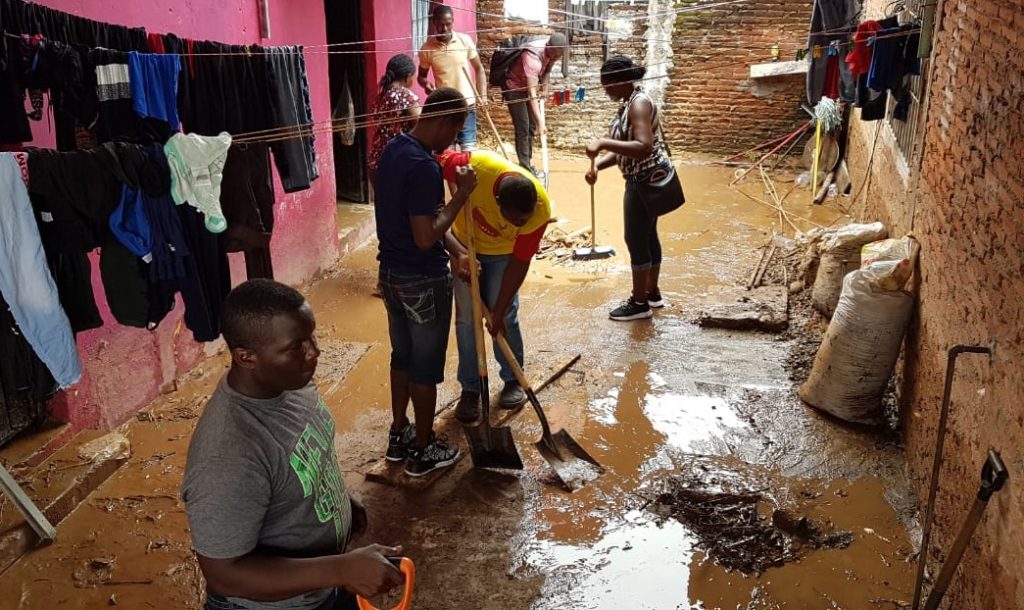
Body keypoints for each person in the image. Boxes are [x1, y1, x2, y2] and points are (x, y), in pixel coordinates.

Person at [182, 279, 406, 610]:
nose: (313, 352)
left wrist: (338, 500)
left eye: (311, 337)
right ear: (246, 357)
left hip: (321, 587)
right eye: (295, 346)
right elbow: (224, 575)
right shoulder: (228, 456)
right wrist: (342, 568)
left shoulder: (289, 382)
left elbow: (303, 454)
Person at [373, 87, 478, 476]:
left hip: (391, 275)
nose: (456, 136)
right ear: (448, 120)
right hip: (422, 279)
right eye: (458, 127)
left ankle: (398, 435)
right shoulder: (424, 167)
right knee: (425, 367)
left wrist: (458, 251)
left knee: (401, 356)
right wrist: (462, 196)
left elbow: (422, 217)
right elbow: (425, 234)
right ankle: (422, 448)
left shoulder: (395, 149)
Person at [435, 149, 552, 422]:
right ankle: (471, 389)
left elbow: (519, 264)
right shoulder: (478, 167)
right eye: (516, 220)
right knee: (467, 320)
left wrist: (497, 310)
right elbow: (441, 160)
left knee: (506, 316)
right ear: (498, 203)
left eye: (525, 219)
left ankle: (512, 378)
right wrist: (458, 193)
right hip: (465, 246)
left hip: (503, 253)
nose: (522, 223)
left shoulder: (540, 210)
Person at [585, 56, 684, 321]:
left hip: (644, 182)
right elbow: (624, 152)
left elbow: (643, 147)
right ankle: (652, 293)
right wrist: (598, 167)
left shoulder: (638, 105)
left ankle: (639, 303)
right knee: (649, 237)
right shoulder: (629, 102)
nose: (606, 91)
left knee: (636, 240)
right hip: (645, 178)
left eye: (608, 86)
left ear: (622, 81)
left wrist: (603, 142)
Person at [417, 4, 487, 152]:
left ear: (453, 22)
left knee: (469, 151)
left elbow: (479, 68)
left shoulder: (465, 41)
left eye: (448, 24)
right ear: (434, 23)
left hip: (467, 105)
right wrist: (426, 84)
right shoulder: (427, 49)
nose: (444, 29)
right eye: (440, 25)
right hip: (445, 107)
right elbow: (421, 77)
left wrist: (483, 96)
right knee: (447, 152)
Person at [502, 33, 567, 179]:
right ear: (548, 46)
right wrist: (540, 123)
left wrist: (545, 88)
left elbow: (547, 70)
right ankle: (525, 169)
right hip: (514, 88)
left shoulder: (554, 52)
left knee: (530, 127)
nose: (556, 58)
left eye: (559, 56)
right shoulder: (532, 57)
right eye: (555, 54)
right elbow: (532, 93)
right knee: (523, 127)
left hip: (527, 86)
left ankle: (527, 163)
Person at [368, 54, 421, 182]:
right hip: (399, 161)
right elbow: (421, 125)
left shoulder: (380, 98)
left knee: (384, 201)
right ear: (407, 77)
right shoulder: (403, 94)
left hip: (377, 161)